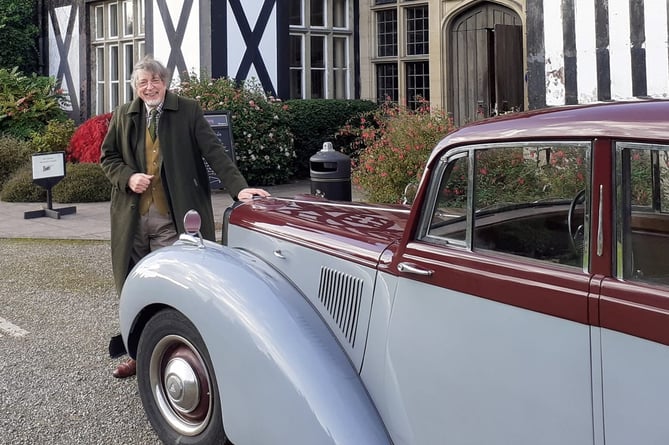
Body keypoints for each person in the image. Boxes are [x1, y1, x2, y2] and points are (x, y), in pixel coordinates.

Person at [100, 55, 270, 378]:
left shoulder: (188, 111)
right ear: (135, 88)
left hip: (172, 218)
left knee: (172, 286)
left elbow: (214, 152)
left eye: (155, 81)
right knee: (133, 286)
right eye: (142, 83)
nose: (149, 87)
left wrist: (240, 190)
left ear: (165, 83)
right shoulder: (124, 115)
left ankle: (180, 350)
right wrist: (127, 177)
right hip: (131, 219)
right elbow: (107, 157)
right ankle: (139, 352)